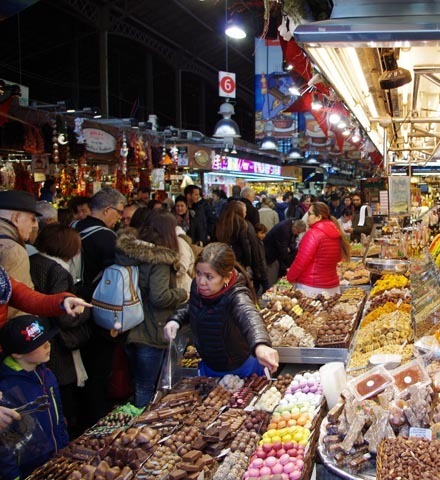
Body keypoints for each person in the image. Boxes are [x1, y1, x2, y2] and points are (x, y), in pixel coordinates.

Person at [163, 243, 279, 377]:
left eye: (209, 276)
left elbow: (249, 316)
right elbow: (192, 305)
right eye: (198, 273)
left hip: (240, 366)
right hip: (210, 364)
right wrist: (176, 319)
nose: (201, 281)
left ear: (227, 277)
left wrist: (261, 345)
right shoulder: (197, 286)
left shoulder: (237, 295)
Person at [115, 210, 188, 406]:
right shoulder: (160, 260)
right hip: (153, 330)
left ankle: (138, 424)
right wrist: (182, 294)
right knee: (150, 386)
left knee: (141, 384)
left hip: (132, 325)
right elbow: (160, 296)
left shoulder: (129, 254)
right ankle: (143, 428)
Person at [30, 224, 91, 437]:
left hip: (39, 336)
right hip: (56, 343)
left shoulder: (34, 261)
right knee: (63, 395)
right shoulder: (58, 271)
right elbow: (65, 315)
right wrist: (85, 311)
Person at [73, 187, 126, 427]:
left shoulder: (74, 229)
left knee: (80, 368)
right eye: (119, 212)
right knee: (98, 369)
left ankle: (79, 418)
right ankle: (96, 421)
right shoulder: (107, 238)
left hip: (71, 309)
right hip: (98, 312)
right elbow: (114, 283)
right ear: (107, 210)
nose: (120, 218)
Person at [0, 315, 69, 479]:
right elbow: (4, 446)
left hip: (57, 460)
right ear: (17, 354)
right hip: (28, 470)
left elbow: (58, 416)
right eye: (38, 343)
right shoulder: (6, 389)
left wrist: (65, 448)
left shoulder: (47, 374)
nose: (47, 345)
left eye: (46, 339)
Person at [286, 202, 350, 296]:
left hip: (311, 288)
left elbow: (301, 261)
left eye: (309, 214)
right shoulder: (336, 232)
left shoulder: (313, 234)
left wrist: (290, 277)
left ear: (318, 217)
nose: (307, 217)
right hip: (332, 287)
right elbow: (338, 258)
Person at [263, 218, 306, 287]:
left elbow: (293, 244)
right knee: (270, 276)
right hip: (269, 253)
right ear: (294, 227)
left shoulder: (291, 225)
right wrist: (289, 267)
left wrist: (290, 248)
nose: (297, 235)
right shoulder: (284, 230)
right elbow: (283, 250)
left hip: (276, 253)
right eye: (297, 232)